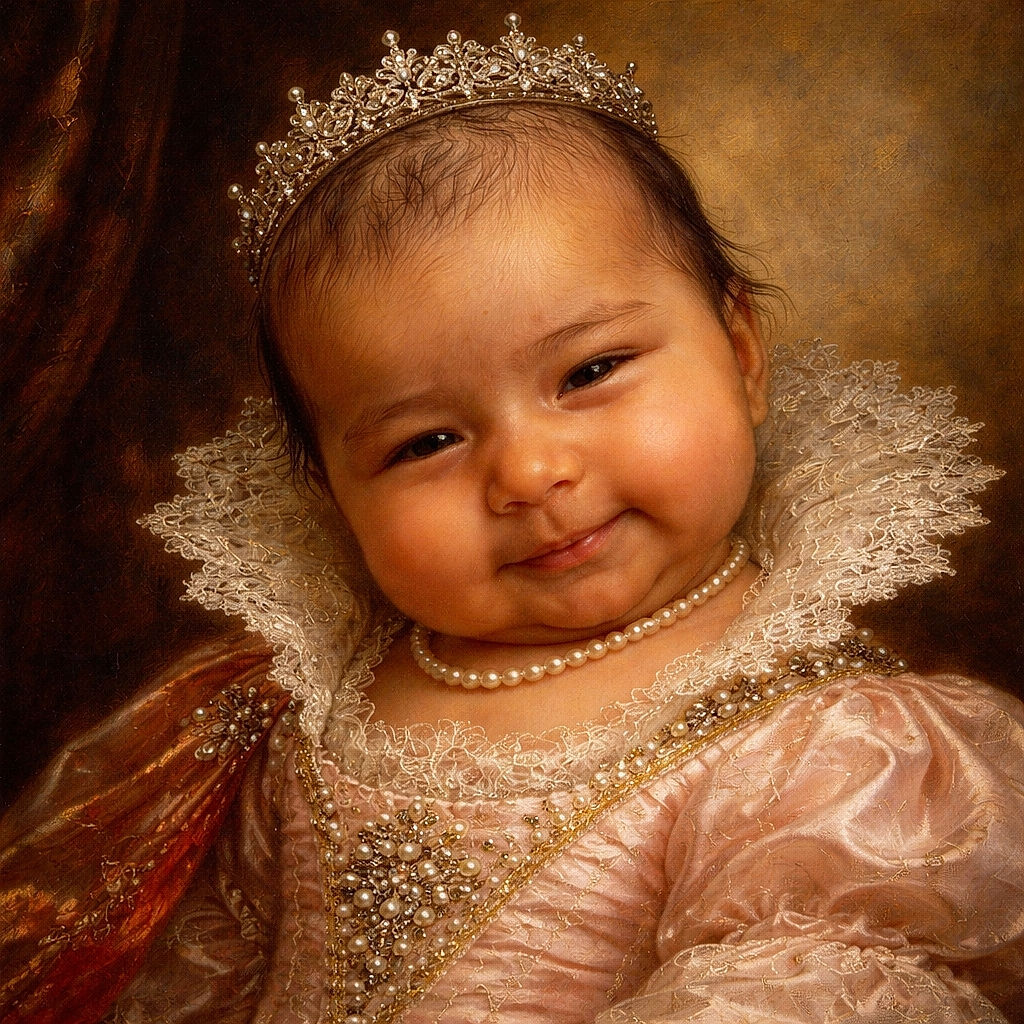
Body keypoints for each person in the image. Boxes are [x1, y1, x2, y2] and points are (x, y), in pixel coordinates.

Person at [3, 14, 1023, 1024]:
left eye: (589, 372)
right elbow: (211, 972)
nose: (529, 473)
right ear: (328, 492)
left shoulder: (830, 746)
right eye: (424, 443)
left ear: (742, 353)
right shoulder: (310, 704)